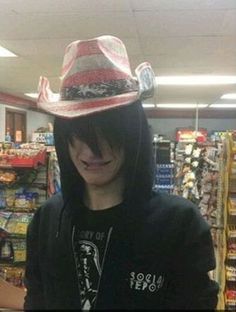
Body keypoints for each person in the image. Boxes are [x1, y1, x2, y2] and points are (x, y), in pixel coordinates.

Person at [24, 35, 219, 310]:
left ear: (132, 135)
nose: (92, 152)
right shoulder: (47, 221)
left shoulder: (179, 225)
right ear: (62, 136)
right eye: (79, 134)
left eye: (108, 133)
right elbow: (36, 299)